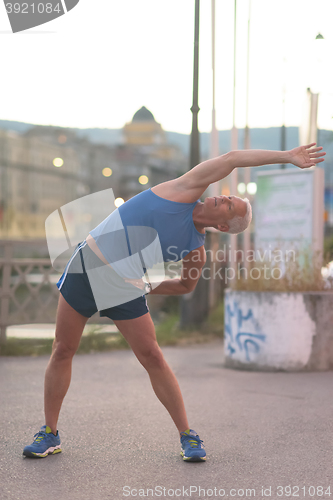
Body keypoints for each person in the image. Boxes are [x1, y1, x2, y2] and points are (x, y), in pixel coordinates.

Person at [23, 143, 325, 461]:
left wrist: (145, 286)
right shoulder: (184, 188)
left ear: (223, 226)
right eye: (227, 196)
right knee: (62, 349)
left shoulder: (196, 249)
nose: (222, 197)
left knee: (153, 356)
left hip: (123, 286)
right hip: (86, 266)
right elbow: (232, 159)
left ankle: (188, 436)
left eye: (229, 205)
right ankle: (49, 433)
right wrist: (287, 157)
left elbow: (184, 285)